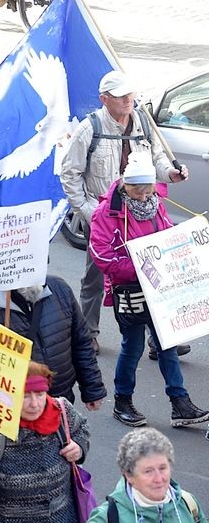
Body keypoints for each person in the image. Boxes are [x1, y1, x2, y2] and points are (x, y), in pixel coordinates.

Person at [60, 70, 189, 356]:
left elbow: (156, 158)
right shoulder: (88, 128)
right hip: (105, 214)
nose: (129, 100)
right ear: (104, 100)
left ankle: (160, 338)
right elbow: (69, 174)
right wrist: (89, 212)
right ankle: (89, 336)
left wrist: (170, 173)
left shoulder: (143, 120)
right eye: (121, 96)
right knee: (95, 277)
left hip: (143, 211)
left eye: (130, 93)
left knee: (153, 274)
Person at [89, 152, 209, 429]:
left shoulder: (156, 203)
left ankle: (180, 403)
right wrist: (141, 268)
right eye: (139, 193)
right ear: (126, 188)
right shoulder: (106, 213)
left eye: (148, 192)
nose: (145, 198)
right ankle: (123, 401)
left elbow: (168, 236)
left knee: (167, 344)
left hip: (160, 289)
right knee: (132, 347)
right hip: (130, 289)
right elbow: (102, 256)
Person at [0, 362, 91, 523]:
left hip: (64, 522)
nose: (35, 404)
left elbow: (82, 429)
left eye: (40, 394)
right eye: (25, 396)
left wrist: (79, 447)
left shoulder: (62, 411)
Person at [0, 276, 106, 409]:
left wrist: (92, 388)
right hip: (13, 409)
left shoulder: (60, 289)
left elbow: (81, 342)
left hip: (60, 400)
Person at [85, 428, 208, 523]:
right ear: (129, 475)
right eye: (148, 471)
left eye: (163, 468)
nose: (159, 479)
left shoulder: (188, 503)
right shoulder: (106, 519)